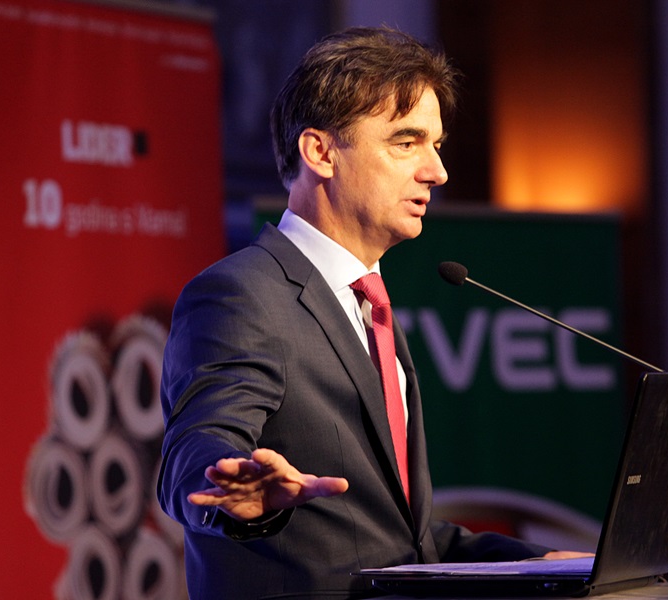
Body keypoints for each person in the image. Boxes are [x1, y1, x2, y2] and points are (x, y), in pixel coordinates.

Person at [159, 26, 584, 599]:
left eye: (437, 145)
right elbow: (196, 451)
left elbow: (397, 541)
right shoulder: (242, 295)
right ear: (321, 152)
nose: (437, 171)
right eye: (406, 142)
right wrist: (233, 493)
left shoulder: (367, 302)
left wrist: (540, 562)